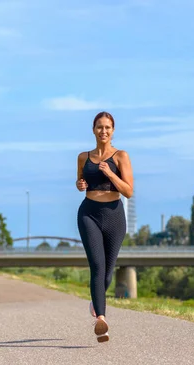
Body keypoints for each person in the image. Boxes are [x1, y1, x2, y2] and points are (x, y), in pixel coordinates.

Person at [76, 111, 134, 343]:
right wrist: (80, 184)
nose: (103, 131)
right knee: (97, 267)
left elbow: (128, 190)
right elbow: (81, 182)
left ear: (113, 130)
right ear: (93, 130)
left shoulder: (121, 156)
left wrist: (110, 173)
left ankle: (96, 299)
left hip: (114, 216)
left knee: (108, 272)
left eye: (108, 127)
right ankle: (102, 319)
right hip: (88, 213)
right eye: (99, 127)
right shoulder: (83, 157)